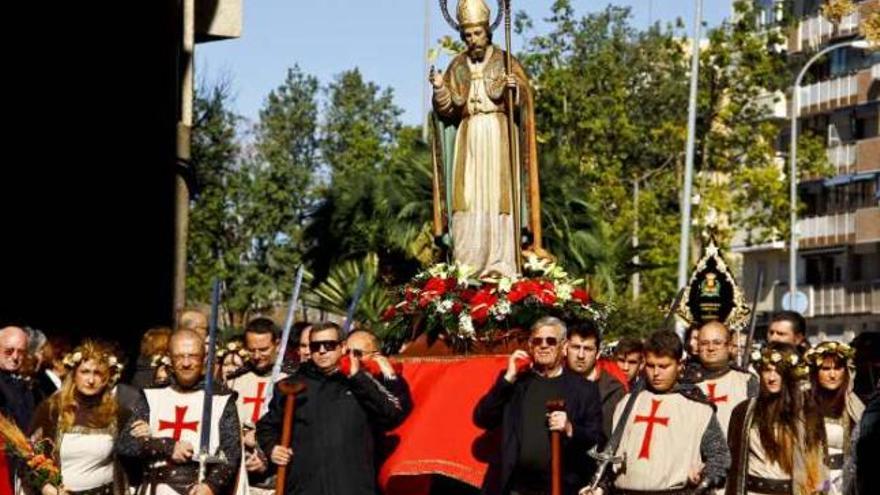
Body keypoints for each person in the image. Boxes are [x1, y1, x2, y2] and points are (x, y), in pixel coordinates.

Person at [430, 0, 545, 278]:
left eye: (477, 33)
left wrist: (514, 91)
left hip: (497, 135)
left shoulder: (506, 62)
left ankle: (500, 263)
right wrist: (439, 90)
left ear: (487, 31)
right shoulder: (457, 65)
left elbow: (523, 104)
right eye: (468, 35)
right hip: (468, 138)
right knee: (466, 199)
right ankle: (468, 264)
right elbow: (447, 110)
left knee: (496, 198)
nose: (473, 40)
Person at [257, 322, 408, 495]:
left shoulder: (363, 380)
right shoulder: (291, 386)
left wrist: (357, 378)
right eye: (315, 346)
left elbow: (392, 414)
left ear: (343, 347)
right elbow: (266, 427)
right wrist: (272, 448)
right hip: (305, 488)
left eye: (329, 345)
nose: (322, 351)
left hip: (352, 486)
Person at [588, 330, 730, 495]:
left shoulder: (697, 408)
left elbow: (720, 458)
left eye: (663, 366)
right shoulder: (627, 403)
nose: (656, 373)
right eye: (650, 365)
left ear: (680, 365)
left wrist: (704, 477)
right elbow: (611, 458)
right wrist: (600, 488)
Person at [474, 316, 603, 495]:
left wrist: (570, 428)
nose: (543, 346)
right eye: (537, 341)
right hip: (515, 488)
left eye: (551, 341)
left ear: (564, 347)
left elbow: (595, 437)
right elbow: (482, 418)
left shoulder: (584, 390)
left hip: (561, 488)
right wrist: (507, 379)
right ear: (530, 345)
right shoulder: (516, 383)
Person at [117, 330, 241, 495]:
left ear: (204, 359)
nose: (186, 363)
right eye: (179, 356)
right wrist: (166, 446)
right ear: (170, 359)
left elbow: (231, 454)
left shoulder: (221, 398)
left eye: (193, 356)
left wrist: (211, 486)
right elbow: (125, 445)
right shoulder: (152, 396)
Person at [29, 340, 145, 495]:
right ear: (74, 374)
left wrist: (143, 437)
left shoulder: (119, 413)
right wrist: (47, 488)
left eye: (98, 373)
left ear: (107, 378)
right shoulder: (52, 410)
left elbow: (133, 460)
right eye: (85, 372)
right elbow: (30, 457)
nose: (91, 380)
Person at [726, 343, 826, 495]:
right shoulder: (744, 411)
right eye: (767, 370)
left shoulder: (807, 413)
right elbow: (733, 465)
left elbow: (820, 465)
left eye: (778, 371)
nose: (771, 377)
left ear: (789, 374)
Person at [227, 318, 290, 495]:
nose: (256, 356)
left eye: (263, 350)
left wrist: (265, 455)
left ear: (277, 344)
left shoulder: (291, 381)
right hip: (240, 474)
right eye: (251, 350)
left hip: (277, 477)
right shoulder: (233, 381)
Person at [805, 341, 864, 495]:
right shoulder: (802, 403)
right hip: (812, 478)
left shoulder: (854, 406)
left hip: (845, 481)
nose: (833, 375)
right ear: (815, 372)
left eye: (838, 368)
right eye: (826, 369)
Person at [685, 321, 758, 437]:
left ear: (729, 346)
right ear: (698, 347)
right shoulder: (685, 381)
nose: (710, 348)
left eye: (717, 343)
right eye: (704, 343)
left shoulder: (746, 381)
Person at [565, 319, 626, 440]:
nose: (581, 355)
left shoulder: (612, 390)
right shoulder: (554, 379)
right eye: (576, 347)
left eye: (587, 349)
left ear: (597, 353)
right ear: (566, 348)